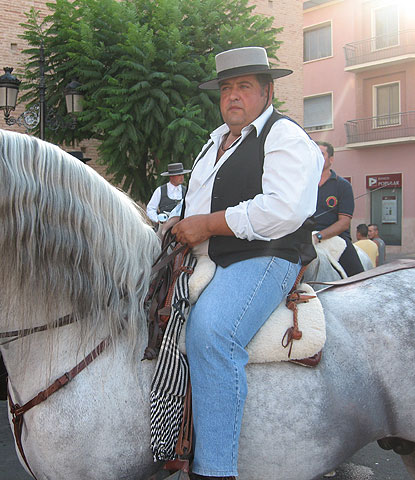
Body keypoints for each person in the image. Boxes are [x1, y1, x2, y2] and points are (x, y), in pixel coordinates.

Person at [169, 46, 323, 480]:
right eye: (226, 88)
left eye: (244, 86)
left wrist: (208, 224)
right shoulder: (214, 141)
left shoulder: (284, 136)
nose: (232, 96)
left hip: (266, 256)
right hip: (208, 256)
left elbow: (283, 210)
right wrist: (176, 224)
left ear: (267, 92)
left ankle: (216, 470)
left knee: (212, 332)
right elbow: (197, 204)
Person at [313, 141, 364, 277]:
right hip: (305, 238)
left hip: (335, 238)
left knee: (358, 278)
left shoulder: (343, 186)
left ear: (331, 159)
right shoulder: (303, 184)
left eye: (321, 154)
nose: (316, 157)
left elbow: (344, 222)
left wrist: (318, 236)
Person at [146, 163, 190, 227]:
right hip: (164, 225)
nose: (182, 177)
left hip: (182, 225)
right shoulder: (160, 190)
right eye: (179, 175)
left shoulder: (186, 191)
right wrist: (157, 220)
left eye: (182, 175)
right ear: (171, 176)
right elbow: (150, 208)